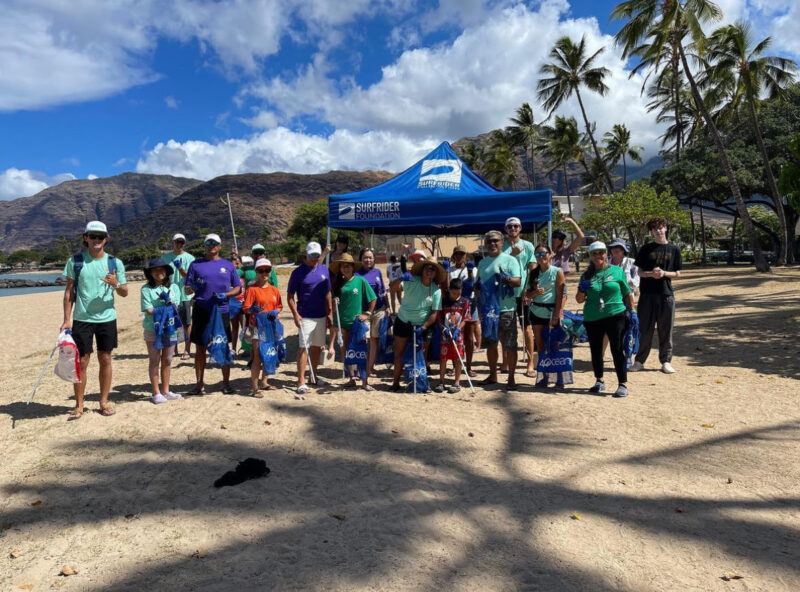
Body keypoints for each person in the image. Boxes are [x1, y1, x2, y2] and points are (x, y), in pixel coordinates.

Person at [60, 221, 128, 419]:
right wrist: (66, 319)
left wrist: (116, 284)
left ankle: (103, 402)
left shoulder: (115, 262)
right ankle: (79, 405)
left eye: (100, 237)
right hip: (82, 318)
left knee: (105, 358)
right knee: (82, 361)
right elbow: (69, 292)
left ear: (106, 239)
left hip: (107, 318)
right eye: (93, 236)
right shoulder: (75, 261)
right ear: (86, 238)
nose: (97, 240)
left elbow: (124, 292)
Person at [184, 233, 241, 395]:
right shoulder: (195, 265)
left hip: (221, 311)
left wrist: (226, 295)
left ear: (220, 246)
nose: (211, 246)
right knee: (200, 347)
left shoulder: (228, 265)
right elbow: (187, 289)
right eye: (208, 243)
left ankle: (226, 383)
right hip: (201, 310)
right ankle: (199, 384)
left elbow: (238, 288)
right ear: (204, 246)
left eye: (214, 243)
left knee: (222, 346)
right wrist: (191, 287)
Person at [576, 241, 635, 397]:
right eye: (594, 253)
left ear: (606, 254)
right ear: (590, 256)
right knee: (596, 350)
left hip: (615, 315)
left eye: (601, 252)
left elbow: (627, 293)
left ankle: (622, 384)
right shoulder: (586, 275)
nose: (598, 256)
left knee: (617, 349)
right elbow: (579, 300)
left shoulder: (617, 271)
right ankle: (599, 380)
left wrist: (633, 311)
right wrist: (581, 289)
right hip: (593, 317)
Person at [631, 218, 682, 374]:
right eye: (654, 229)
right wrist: (650, 274)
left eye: (660, 228)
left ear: (665, 228)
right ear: (651, 232)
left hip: (666, 294)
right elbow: (639, 272)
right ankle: (639, 361)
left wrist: (664, 273)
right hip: (647, 295)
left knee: (665, 329)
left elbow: (678, 273)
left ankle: (666, 361)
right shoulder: (646, 248)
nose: (658, 231)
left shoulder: (674, 249)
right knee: (644, 329)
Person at [389, 259, 445, 392]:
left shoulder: (436, 290)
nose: (429, 271)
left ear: (435, 273)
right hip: (403, 321)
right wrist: (399, 278)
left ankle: (422, 383)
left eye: (432, 269)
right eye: (427, 268)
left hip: (422, 326)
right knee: (399, 354)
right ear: (422, 270)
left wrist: (424, 327)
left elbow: (434, 313)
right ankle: (396, 383)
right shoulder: (412, 280)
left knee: (422, 355)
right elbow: (393, 287)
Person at [475, 230, 521, 390]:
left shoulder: (510, 260)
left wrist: (505, 278)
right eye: (489, 241)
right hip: (489, 311)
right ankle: (493, 374)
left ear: (502, 242)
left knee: (510, 345)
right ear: (485, 244)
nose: (492, 244)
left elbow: (517, 281)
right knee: (491, 344)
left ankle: (511, 378)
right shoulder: (482, 263)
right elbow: (478, 284)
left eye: (495, 240)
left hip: (506, 309)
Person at [287, 241, 333, 394]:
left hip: (321, 315)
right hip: (305, 316)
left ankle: (313, 376)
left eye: (317, 255)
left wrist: (330, 313)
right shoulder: (298, 272)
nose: (314, 257)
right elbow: (290, 296)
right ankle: (301, 381)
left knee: (316, 347)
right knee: (303, 348)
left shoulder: (324, 270)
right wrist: (295, 314)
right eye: (312, 255)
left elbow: (328, 293)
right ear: (306, 254)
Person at [329, 253, 377, 390]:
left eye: (348, 265)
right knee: (345, 351)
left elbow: (373, 298)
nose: (346, 268)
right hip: (341, 323)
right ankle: (351, 378)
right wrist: (334, 303)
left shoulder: (360, 281)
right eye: (343, 266)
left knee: (361, 352)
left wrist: (367, 313)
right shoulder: (337, 284)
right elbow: (332, 305)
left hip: (357, 323)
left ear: (352, 267)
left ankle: (364, 381)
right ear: (340, 268)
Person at [140, 257, 183, 404]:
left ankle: (166, 390)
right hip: (152, 329)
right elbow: (148, 310)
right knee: (154, 360)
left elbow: (177, 306)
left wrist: (165, 307)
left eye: (162, 269)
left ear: (166, 272)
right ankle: (156, 392)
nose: (159, 272)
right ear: (150, 273)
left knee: (168, 359)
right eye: (155, 270)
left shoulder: (174, 287)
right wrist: (167, 306)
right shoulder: (146, 289)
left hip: (170, 328)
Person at [526, 245, 566, 386]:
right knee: (541, 346)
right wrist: (535, 293)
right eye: (537, 254)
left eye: (543, 253)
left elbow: (561, 295)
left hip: (552, 313)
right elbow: (527, 295)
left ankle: (560, 378)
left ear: (550, 255)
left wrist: (557, 314)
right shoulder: (533, 273)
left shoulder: (557, 271)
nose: (541, 256)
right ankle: (544, 376)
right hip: (536, 312)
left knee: (555, 346)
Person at [243, 258, 283, 397]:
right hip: (257, 327)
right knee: (258, 356)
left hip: (271, 326)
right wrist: (252, 309)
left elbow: (279, 306)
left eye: (267, 270)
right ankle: (255, 388)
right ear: (256, 272)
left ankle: (265, 382)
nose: (264, 273)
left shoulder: (274, 290)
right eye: (261, 270)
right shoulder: (252, 290)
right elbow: (246, 308)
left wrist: (276, 312)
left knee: (269, 354)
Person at [502, 216, 536, 376]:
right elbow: (499, 265)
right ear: (506, 229)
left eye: (516, 226)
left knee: (527, 328)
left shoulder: (528, 245)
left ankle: (530, 363)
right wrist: (512, 254)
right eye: (510, 227)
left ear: (520, 228)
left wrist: (528, 290)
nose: (513, 229)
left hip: (523, 293)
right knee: (506, 328)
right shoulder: (502, 246)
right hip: (506, 293)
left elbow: (532, 268)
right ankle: (505, 362)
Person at [447, 245, 480, 377]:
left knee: (469, 337)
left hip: (469, 304)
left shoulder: (473, 269)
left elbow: (473, 284)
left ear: (466, 255)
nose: (459, 256)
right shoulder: (450, 270)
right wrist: (446, 272)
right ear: (454, 256)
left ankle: (469, 366)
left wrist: (470, 272)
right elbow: (448, 287)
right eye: (457, 254)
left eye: (462, 254)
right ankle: (455, 366)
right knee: (454, 336)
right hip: (455, 305)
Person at [356, 248, 388, 377]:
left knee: (375, 339)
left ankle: (370, 368)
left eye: (370, 257)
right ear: (361, 259)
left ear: (374, 259)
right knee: (364, 340)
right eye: (365, 257)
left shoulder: (378, 272)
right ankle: (362, 368)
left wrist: (388, 306)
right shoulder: (357, 275)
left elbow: (383, 291)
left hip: (379, 310)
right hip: (364, 312)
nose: (368, 260)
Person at [164, 233, 195, 360]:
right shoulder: (165, 258)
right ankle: (173, 349)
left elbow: (190, 277)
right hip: (170, 295)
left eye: (182, 242)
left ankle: (187, 350)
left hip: (185, 294)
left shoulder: (190, 258)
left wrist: (181, 269)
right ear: (173, 242)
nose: (179, 244)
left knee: (186, 323)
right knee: (171, 323)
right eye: (177, 242)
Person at [436, 278, 470, 393]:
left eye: (458, 293)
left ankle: (457, 382)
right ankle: (441, 381)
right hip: (445, 335)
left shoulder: (465, 302)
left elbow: (466, 318)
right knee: (443, 358)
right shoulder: (443, 301)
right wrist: (443, 328)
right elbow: (439, 318)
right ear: (449, 290)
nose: (456, 296)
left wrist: (458, 329)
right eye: (453, 293)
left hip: (458, 336)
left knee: (457, 358)